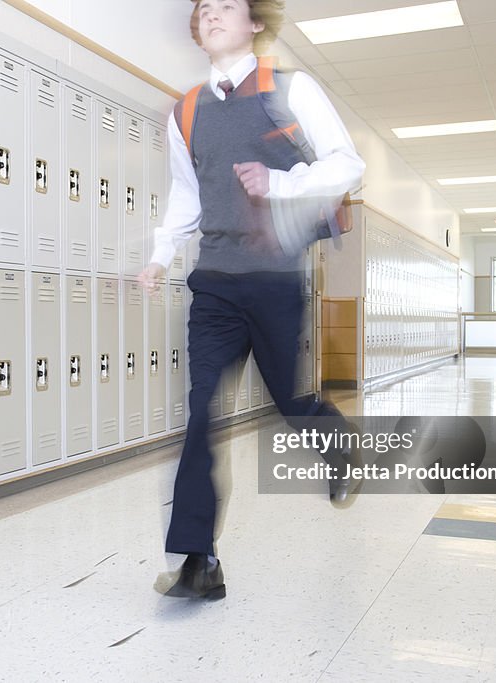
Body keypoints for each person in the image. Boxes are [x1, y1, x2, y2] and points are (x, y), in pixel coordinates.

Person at [137, 0, 366, 600]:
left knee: (291, 398)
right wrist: (160, 257)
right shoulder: (185, 111)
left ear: (256, 22)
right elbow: (187, 196)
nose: (210, 13)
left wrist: (284, 182)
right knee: (201, 413)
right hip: (214, 281)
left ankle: (341, 449)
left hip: (274, 279)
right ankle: (197, 559)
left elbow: (349, 163)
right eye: (202, 8)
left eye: (225, 5)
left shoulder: (291, 89)